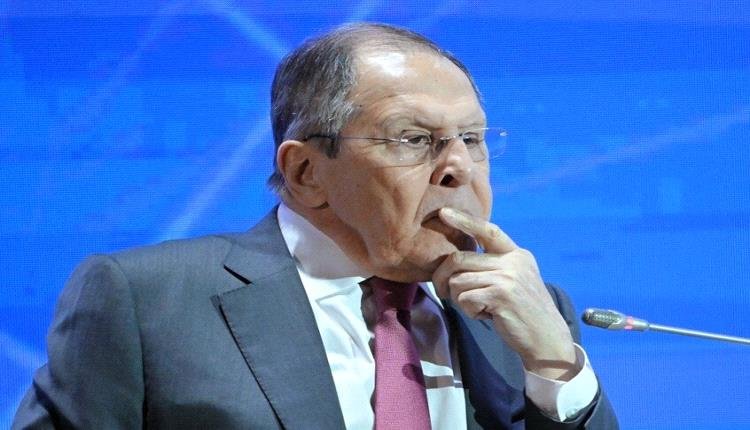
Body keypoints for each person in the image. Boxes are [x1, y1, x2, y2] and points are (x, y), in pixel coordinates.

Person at [13, 23, 618, 429]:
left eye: (473, 139)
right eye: (413, 139)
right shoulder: (147, 301)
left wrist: (556, 366)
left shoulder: (527, 316)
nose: (458, 167)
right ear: (306, 172)